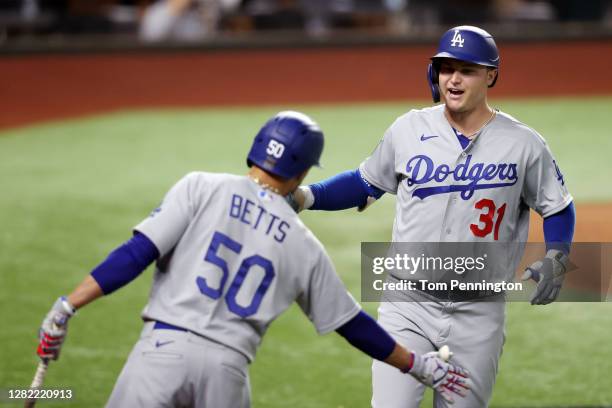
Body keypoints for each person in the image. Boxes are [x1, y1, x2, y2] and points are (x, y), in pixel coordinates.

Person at [35, 111, 470, 407]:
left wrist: (67, 306)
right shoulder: (303, 244)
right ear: (302, 172)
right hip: (227, 374)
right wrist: (418, 365)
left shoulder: (201, 187)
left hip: (161, 355)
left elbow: (136, 254)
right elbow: (352, 325)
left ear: (256, 149)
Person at [289, 26, 576, 407]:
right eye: (446, 68)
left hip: (479, 311)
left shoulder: (524, 143)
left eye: (467, 69)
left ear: (491, 75)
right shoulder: (409, 129)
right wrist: (306, 196)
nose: (453, 79)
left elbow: (557, 205)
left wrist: (557, 256)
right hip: (407, 304)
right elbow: (364, 182)